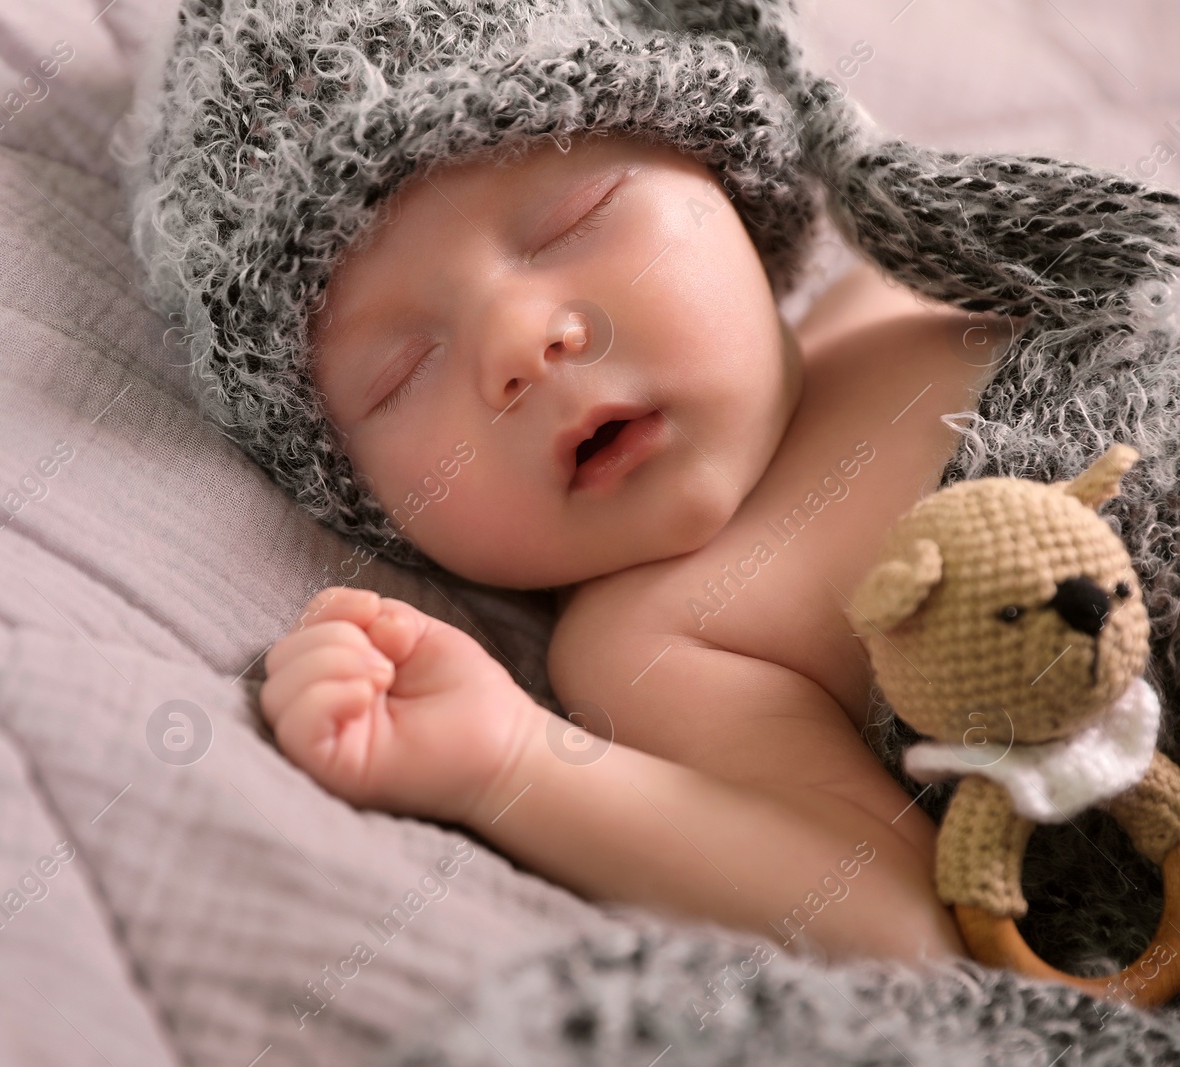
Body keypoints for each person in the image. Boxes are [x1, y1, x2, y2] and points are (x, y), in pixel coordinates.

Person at [122, 0, 1180, 968]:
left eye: (571, 221)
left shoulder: (910, 276)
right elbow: (891, 916)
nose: (519, 343)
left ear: (728, 187)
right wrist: (505, 761)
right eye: (401, 371)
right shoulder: (655, 633)